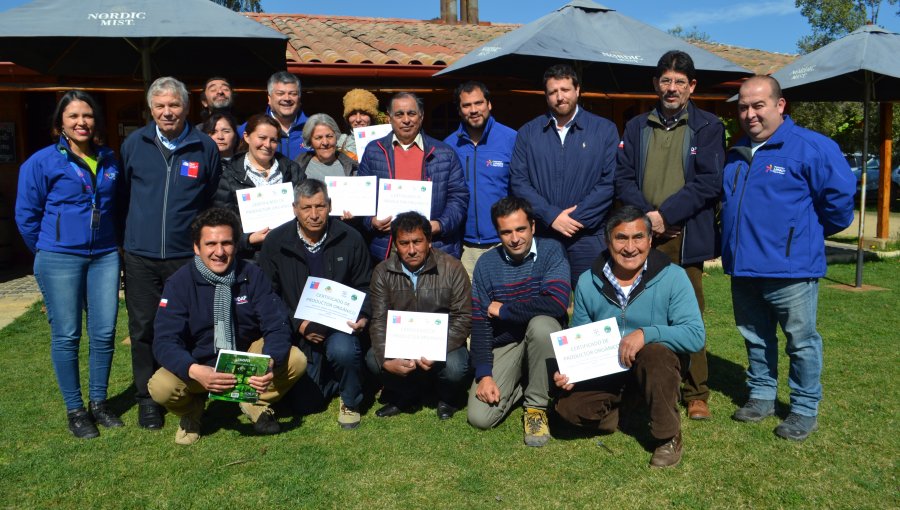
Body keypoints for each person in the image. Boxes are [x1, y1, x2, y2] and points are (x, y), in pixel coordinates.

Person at [722, 75, 855, 441]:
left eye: (758, 105)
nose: (750, 114)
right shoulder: (737, 152)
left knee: (801, 341)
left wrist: (803, 236)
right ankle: (762, 395)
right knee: (755, 337)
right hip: (744, 268)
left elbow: (840, 207)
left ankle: (803, 407)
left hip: (791, 270)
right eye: (744, 106)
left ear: (780, 106)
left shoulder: (811, 147)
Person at [615, 50, 724, 421]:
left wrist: (667, 215)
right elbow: (623, 178)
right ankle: (642, 381)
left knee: (689, 312)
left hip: (684, 233)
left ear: (692, 87)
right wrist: (649, 218)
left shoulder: (709, 127)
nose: (672, 88)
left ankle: (696, 392)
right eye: (666, 80)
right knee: (638, 306)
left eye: (680, 81)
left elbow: (709, 182)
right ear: (655, 84)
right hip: (642, 234)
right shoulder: (635, 127)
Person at [553, 206, 704, 468]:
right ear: (608, 240)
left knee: (654, 353)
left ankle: (667, 436)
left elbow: (694, 335)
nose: (630, 247)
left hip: (657, 363)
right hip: (609, 369)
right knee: (566, 410)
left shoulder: (674, 277)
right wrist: (570, 371)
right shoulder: (588, 281)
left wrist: (647, 333)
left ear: (650, 240)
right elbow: (580, 335)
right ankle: (635, 409)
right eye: (621, 238)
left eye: (638, 238)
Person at [15, 90, 124, 439]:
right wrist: (48, 251)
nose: (82, 122)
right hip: (59, 257)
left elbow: (116, 207)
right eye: (74, 116)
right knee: (67, 334)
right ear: (60, 122)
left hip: (105, 255)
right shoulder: (41, 162)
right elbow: (26, 216)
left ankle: (99, 403)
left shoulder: (109, 160)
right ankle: (75, 410)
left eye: (88, 116)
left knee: (104, 331)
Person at [148, 208, 306, 445]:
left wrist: (270, 361)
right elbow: (164, 341)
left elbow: (277, 324)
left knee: (296, 359)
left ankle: (255, 402)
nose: (219, 252)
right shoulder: (179, 283)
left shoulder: (252, 274)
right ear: (196, 247)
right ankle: (192, 412)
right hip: (200, 364)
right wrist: (194, 370)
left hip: (246, 362)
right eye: (210, 244)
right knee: (161, 387)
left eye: (226, 243)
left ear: (236, 245)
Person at [119, 76, 222, 430]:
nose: (167, 112)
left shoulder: (204, 147)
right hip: (141, 256)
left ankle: (190, 391)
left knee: (192, 326)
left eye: (174, 105)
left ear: (186, 107)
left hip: (185, 257)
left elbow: (210, 199)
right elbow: (122, 198)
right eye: (160, 106)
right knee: (144, 327)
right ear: (151, 110)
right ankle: (148, 398)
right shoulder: (134, 144)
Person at [259, 179, 371, 429]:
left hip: (339, 326)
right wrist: (298, 323)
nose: (314, 215)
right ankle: (338, 378)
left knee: (343, 350)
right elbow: (268, 295)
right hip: (297, 328)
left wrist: (363, 314)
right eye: (306, 208)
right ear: (294, 209)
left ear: (330, 205)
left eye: (320, 206)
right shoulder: (276, 242)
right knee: (308, 403)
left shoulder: (350, 238)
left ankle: (350, 400)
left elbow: (365, 285)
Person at [467, 197, 570, 447]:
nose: (515, 238)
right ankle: (525, 381)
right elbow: (480, 323)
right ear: (498, 233)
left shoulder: (552, 250)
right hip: (508, 343)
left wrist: (505, 311)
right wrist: (485, 375)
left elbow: (555, 303)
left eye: (520, 229)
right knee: (480, 417)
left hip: (544, 339)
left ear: (533, 226)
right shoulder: (486, 264)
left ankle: (536, 408)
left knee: (541, 324)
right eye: (506, 232)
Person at [510, 63, 619, 285]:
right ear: (546, 95)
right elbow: (519, 183)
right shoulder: (528, 133)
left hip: (588, 235)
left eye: (565, 90)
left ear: (577, 90)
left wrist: (575, 218)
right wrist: (551, 216)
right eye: (553, 92)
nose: (560, 97)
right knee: (544, 304)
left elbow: (609, 182)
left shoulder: (604, 130)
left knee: (593, 303)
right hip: (544, 235)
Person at [366, 212, 471, 420]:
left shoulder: (452, 268)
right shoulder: (382, 272)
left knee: (456, 366)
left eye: (417, 242)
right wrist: (386, 358)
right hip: (403, 343)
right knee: (373, 358)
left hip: (442, 344)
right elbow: (378, 320)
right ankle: (406, 394)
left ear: (429, 241)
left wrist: (436, 349)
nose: (412, 250)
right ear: (395, 244)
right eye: (404, 243)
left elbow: (463, 317)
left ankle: (446, 397)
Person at [358, 92, 469, 261]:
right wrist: (371, 220)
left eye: (411, 113)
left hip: (433, 245)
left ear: (421, 116)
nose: (406, 120)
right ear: (389, 118)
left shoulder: (444, 153)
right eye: (399, 114)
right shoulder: (373, 150)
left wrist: (439, 225)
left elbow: (458, 197)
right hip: (388, 247)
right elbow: (362, 197)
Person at [444, 81, 518, 278]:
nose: (474, 110)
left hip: (504, 241)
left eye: (479, 103)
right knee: (470, 305)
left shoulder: (512, 139)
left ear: (489, 104)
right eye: (467, 105)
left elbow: (522, 188)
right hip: (465, 246)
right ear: (459, 110)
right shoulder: (449, 146)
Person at [213, 113, 304, 258]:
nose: (267, 145)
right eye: (262, 138)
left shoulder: (292, 170)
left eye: (273, 140)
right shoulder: (230, 175)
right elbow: (222, 223)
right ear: (247, 137)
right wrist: (248, 239)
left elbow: (305, 208)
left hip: (289, 254)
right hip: (250, 259)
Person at [239, 71, 309, 159]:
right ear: (269, 98)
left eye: (293, 94)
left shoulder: (314, 129)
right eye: (280, 93)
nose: (287, 98)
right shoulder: (248, 129)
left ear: (299, 98)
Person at [295, 113, 358, 182]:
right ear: (310, 141)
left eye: (329, 136)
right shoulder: (298, 167)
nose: (325, 143)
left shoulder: (352, 167)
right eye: (318, 138)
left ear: (336, 137)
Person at [336, 88, 386, 161]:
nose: (358, 119)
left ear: (371, 117)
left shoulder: (384, 139)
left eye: (363, 114)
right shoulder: (342, 141)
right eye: (353, 114)